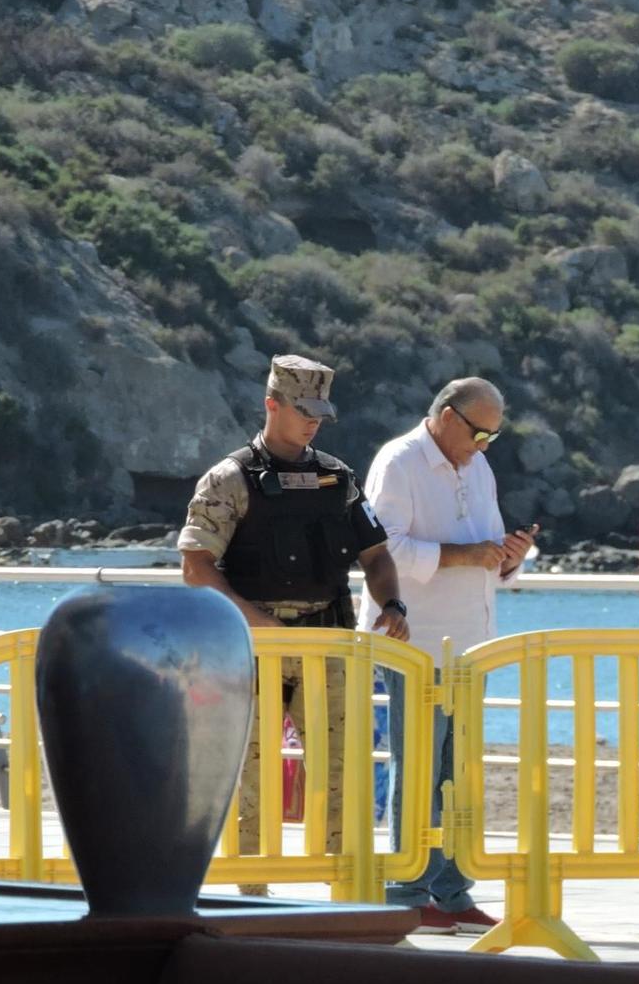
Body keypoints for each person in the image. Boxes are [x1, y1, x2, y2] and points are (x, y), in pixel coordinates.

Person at [179, 355, 409, 897]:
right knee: (250, 774)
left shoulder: (338, 478)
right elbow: (196, 567)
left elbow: (376, 555)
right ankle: (250, 894)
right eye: (303, 411)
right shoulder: (230, 478)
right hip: (247, 647)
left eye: (320, 413)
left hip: (326, 641)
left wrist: (394, 605)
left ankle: (344, 893)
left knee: (342, 770)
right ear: (271, 404)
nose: (314, 423)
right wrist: (259, 624)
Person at [363, 377, 537, 934]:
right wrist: (466, 555)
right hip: (415, 644)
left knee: (457, 777)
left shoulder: (477, 466)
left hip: (469, 647)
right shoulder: (399, 461)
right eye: (478, 431)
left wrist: (510, 557)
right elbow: (380, 548)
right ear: (444, 414)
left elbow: (485, 555)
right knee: (417, 772)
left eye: (494, 435)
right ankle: (406, 891)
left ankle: (452, 894)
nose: (485, 443)